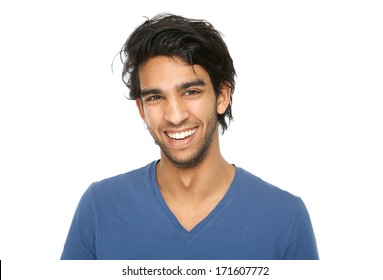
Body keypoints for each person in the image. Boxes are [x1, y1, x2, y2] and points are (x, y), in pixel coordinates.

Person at [61, 13, 319, 260]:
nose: (174, 115)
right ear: (141, 110)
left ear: (222, 96)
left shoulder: (284, 217)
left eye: (191, 92)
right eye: (155, 97)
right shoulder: (100, 207)